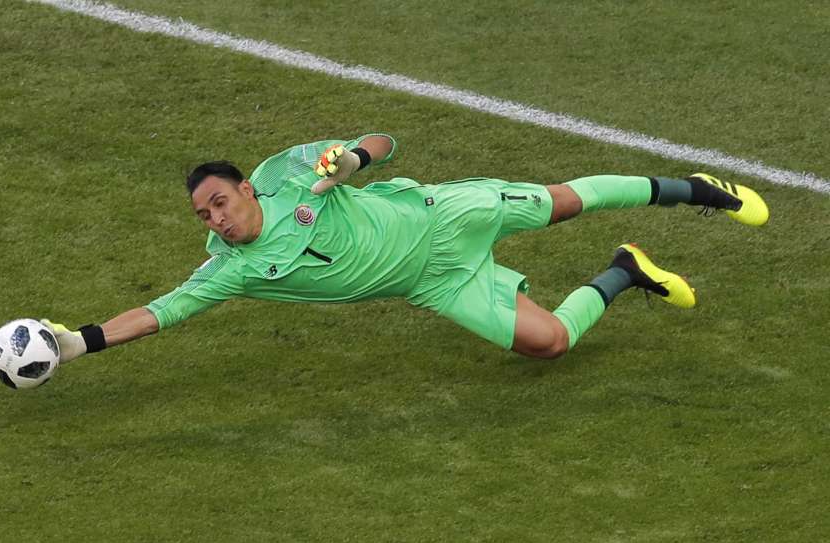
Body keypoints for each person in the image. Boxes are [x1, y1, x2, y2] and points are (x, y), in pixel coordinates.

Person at [42, 133, 768, 364]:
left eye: (221, 201)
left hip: (442, 216)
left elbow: (385, 141)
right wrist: (78, 342)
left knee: (563, 201)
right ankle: (625, 269)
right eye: (204, 213)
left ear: (247, 189)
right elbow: (161, 312)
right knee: (547, 344)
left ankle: (698, 190)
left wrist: (354, 159)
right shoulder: (231, 269)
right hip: (433, 284)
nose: (217, 218)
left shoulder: (293, 171)